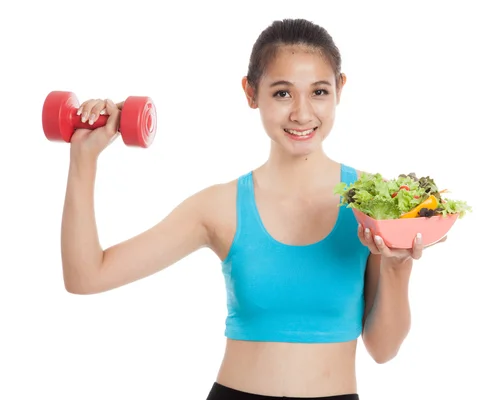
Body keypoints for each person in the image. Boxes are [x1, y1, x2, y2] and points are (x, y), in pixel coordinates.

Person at [62, 18, 440, 400]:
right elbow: (87, 276)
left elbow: (383, 348)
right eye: (282, 94)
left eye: (319, 91)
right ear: (251, 92)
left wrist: (397, 264)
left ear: (340, 89)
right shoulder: (220, 206)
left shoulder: (373, 201)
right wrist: (84, 158)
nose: (302, 114)